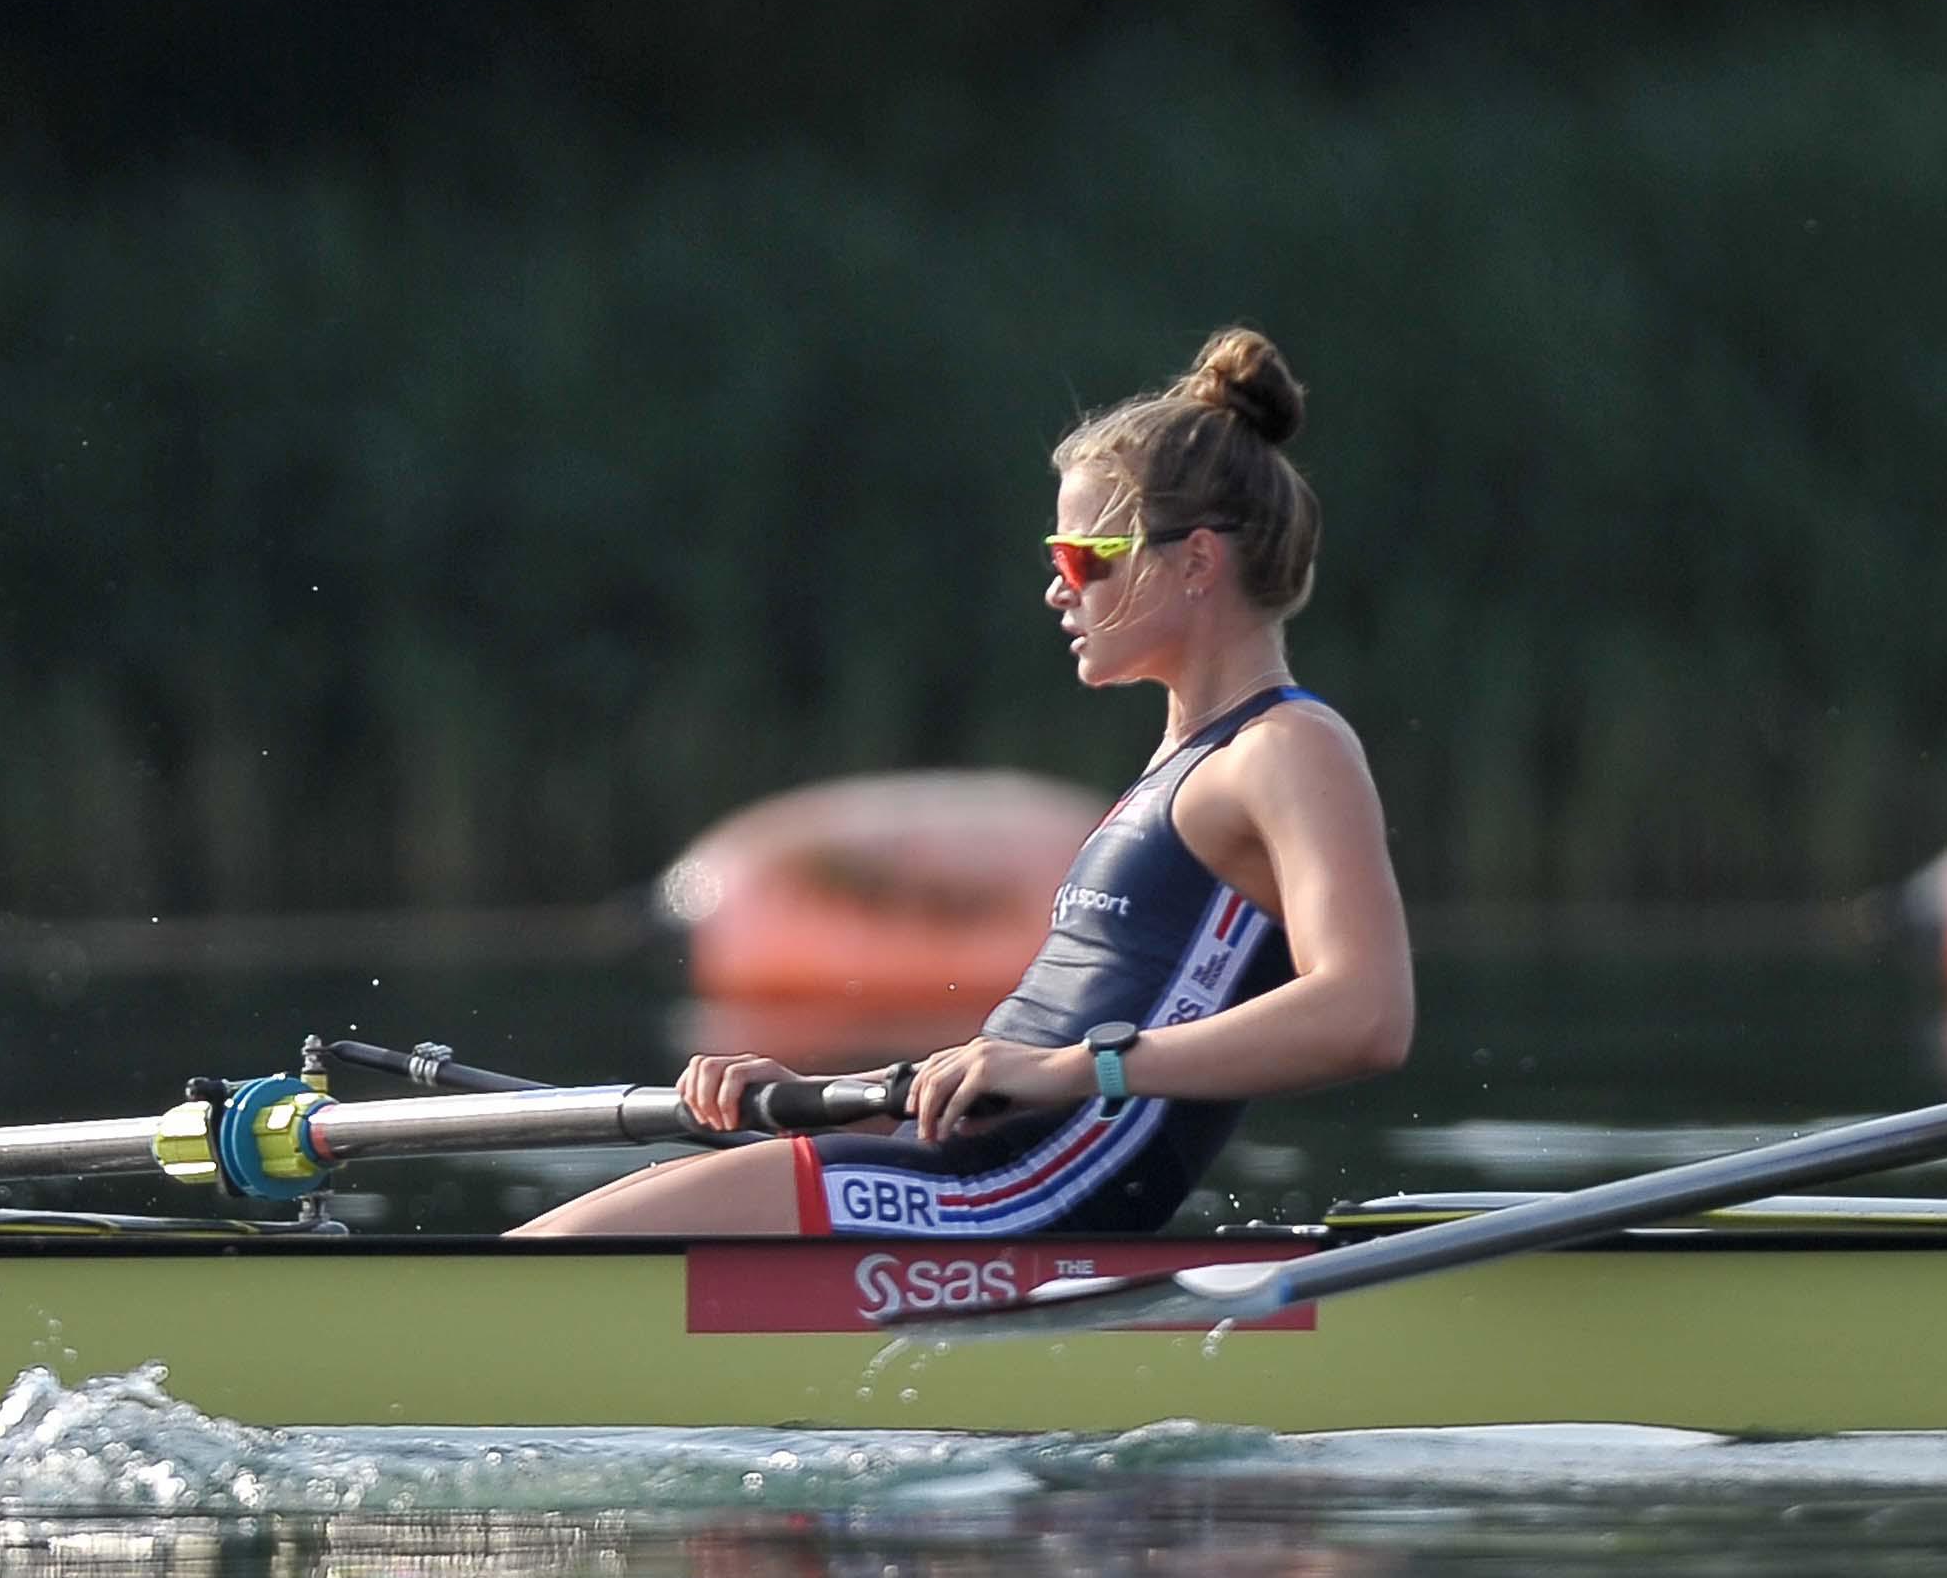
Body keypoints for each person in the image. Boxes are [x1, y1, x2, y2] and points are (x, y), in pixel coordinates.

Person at [518, 328, 1413, 1240]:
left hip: (1029, 1195)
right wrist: (833, 1103)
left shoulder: (1288, 747)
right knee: (546, 1247)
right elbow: (1028, 1057)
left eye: (1081, 557)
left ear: (1195, 561)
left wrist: (1082, 1070)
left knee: (546, 1258)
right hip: (986, 1172)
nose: (1059, 591)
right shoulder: (1177, 766)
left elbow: (1368, 1013)